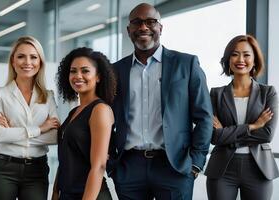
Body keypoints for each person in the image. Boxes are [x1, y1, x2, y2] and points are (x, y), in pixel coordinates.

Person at [108, 3, 213, 200]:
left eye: (150, 22)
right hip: (129, 168)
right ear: (128, 29)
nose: (143, 27)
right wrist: (112, 162)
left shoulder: (186, 64)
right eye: (137, 22)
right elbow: (105, 117)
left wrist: (196, 163)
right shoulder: (115, 71)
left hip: (174, 166)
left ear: (160, 28)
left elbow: (204, 117)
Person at [205, 35, 279, 200]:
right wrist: (253, 126)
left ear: (254, 60)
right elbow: (214, 136)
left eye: (246, 54)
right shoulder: (216, 94)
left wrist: (226, 134)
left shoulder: (268, 93)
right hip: (222, 168)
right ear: (228, 59)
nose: (240, 59)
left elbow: (267, 134)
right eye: (234, 54)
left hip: (259, 168)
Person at [0, 36, 60, 200]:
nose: (27, 62)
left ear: (40, 62)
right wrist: (40, 129)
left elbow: (55, 136)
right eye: (21, 56)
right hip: (3, 169)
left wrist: (11, 134)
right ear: (13, 61)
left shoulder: (48, 96)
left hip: (37, 170)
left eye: (33, 57)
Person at [52, 47, 116, 200]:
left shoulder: (100, 110)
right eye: (73, 71)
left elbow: (99, 166)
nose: (77, 76)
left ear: (98, 76)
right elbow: (65, 159)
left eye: (85, 71)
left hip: (90, 195)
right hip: (67, 194)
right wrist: (55, 194)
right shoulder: (73, 112)